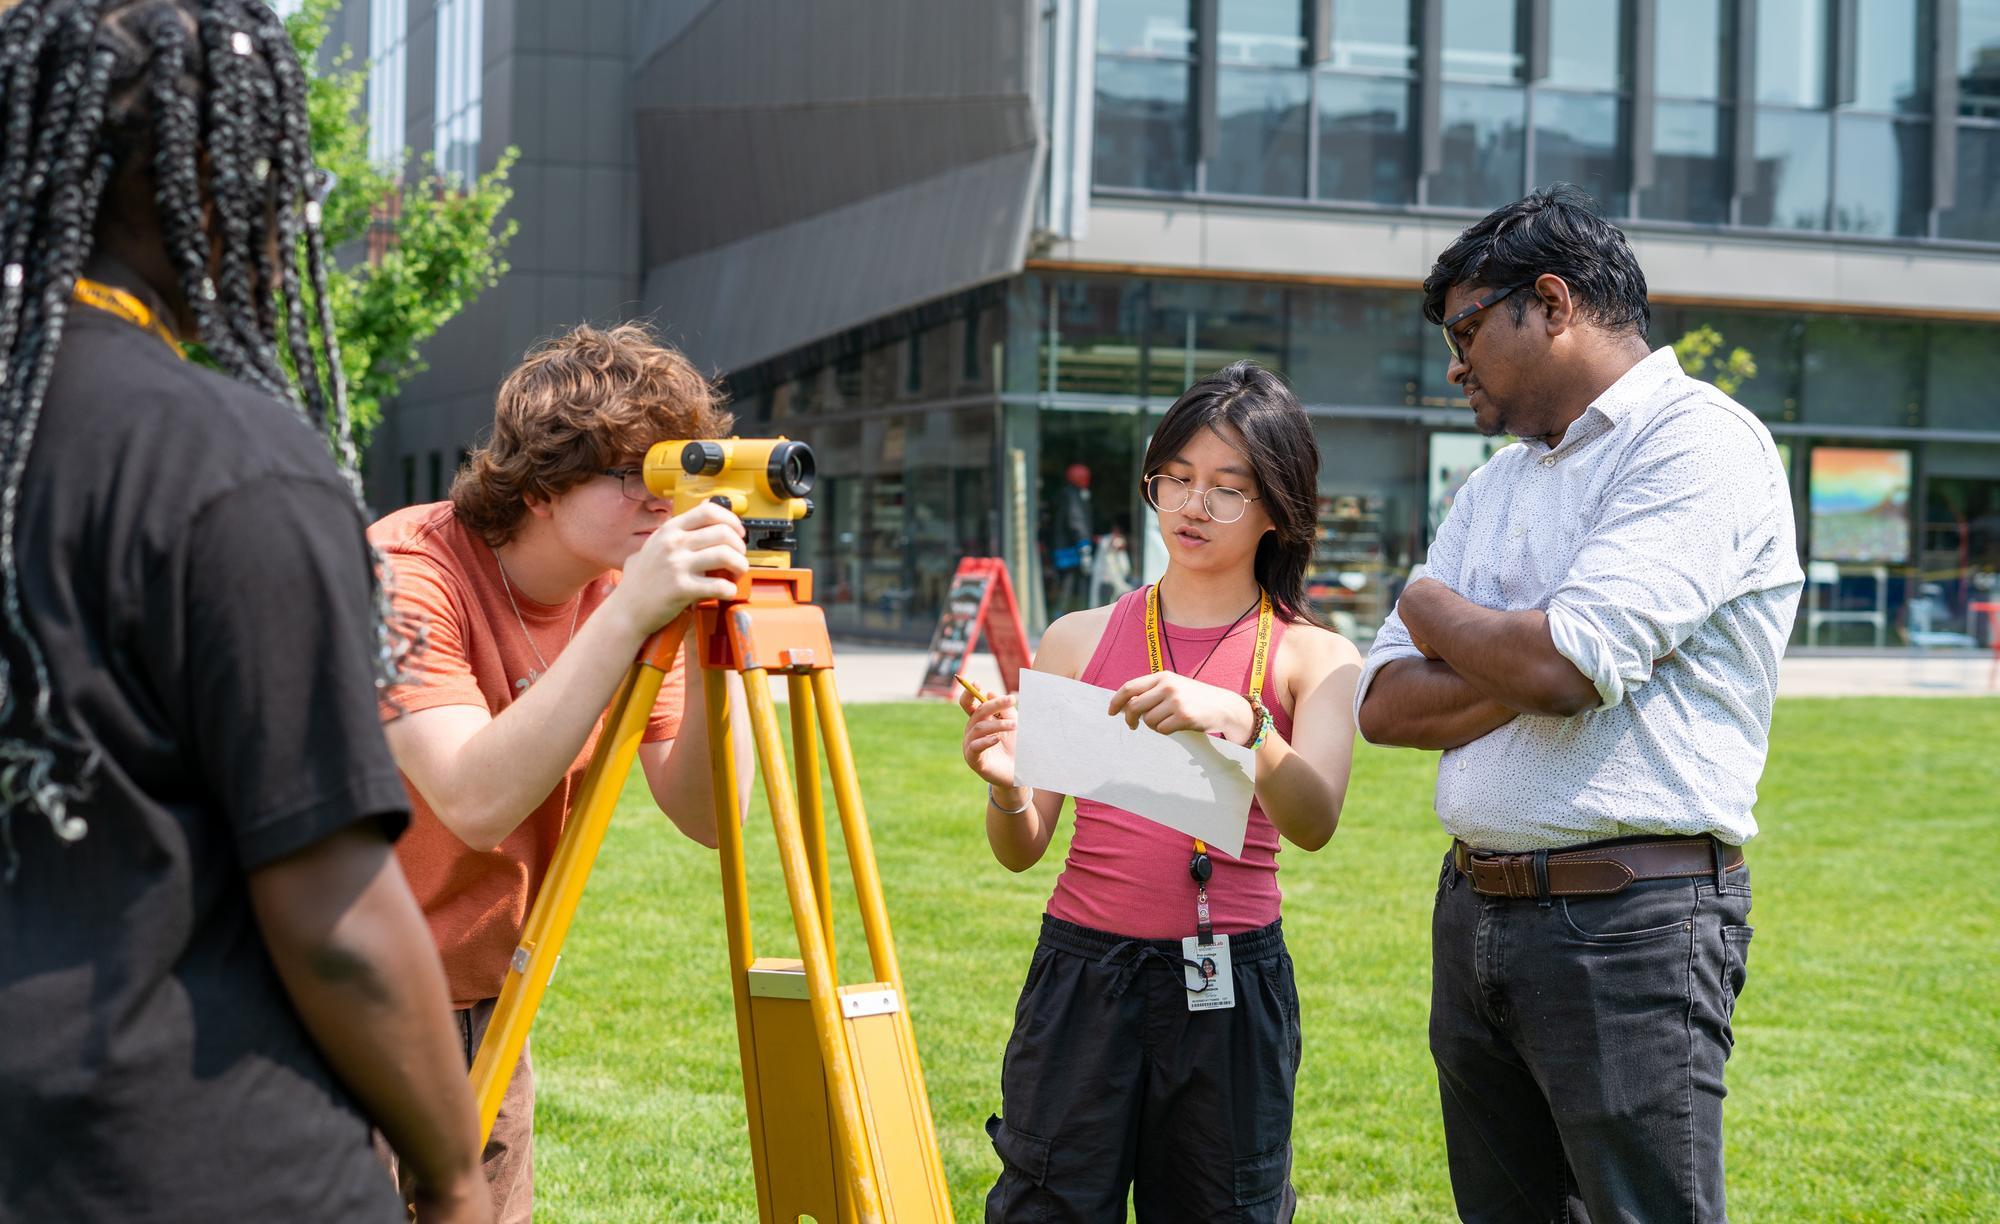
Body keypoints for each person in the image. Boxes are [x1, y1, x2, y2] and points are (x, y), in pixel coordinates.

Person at [0, 2, 489, 1220]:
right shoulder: (227, 469)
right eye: (278, 168)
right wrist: (452, 1175)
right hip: (189, 1161)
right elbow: (333, 912)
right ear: (203, 178)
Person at [1355, 186, 1803, 1222]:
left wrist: (1429, 605)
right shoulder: (1495, 484)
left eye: (1466, 329)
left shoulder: (1696, 446)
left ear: (1551, 302)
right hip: (1472, 912)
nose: (1453, 365)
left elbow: (1564, 665)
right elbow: (1381, 705)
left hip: (1628, 922)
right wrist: (1513, 649)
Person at [960, 361, 1363, 1221]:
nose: (1191, 507)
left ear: (1276, 508)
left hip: (1229, 981)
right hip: (1081, 972)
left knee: (1225, 1208)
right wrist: (1003, 789)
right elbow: (1025, 846)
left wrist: (1244, 724)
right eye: (1174, 480)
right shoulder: (1077, 638)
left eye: (1225, 489)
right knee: (1048, 1203)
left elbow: (1316, 821)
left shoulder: (1314, 657)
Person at [369, 321, 751, 1222]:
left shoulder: (626, 586)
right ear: (542, 487)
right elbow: (471, 797)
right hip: (341, 993)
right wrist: (627, 623)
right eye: (639, 477)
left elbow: (707, 814)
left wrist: (712, 647)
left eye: (682, 473)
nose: (668, 503)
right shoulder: (403, 570)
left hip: (490, 993)